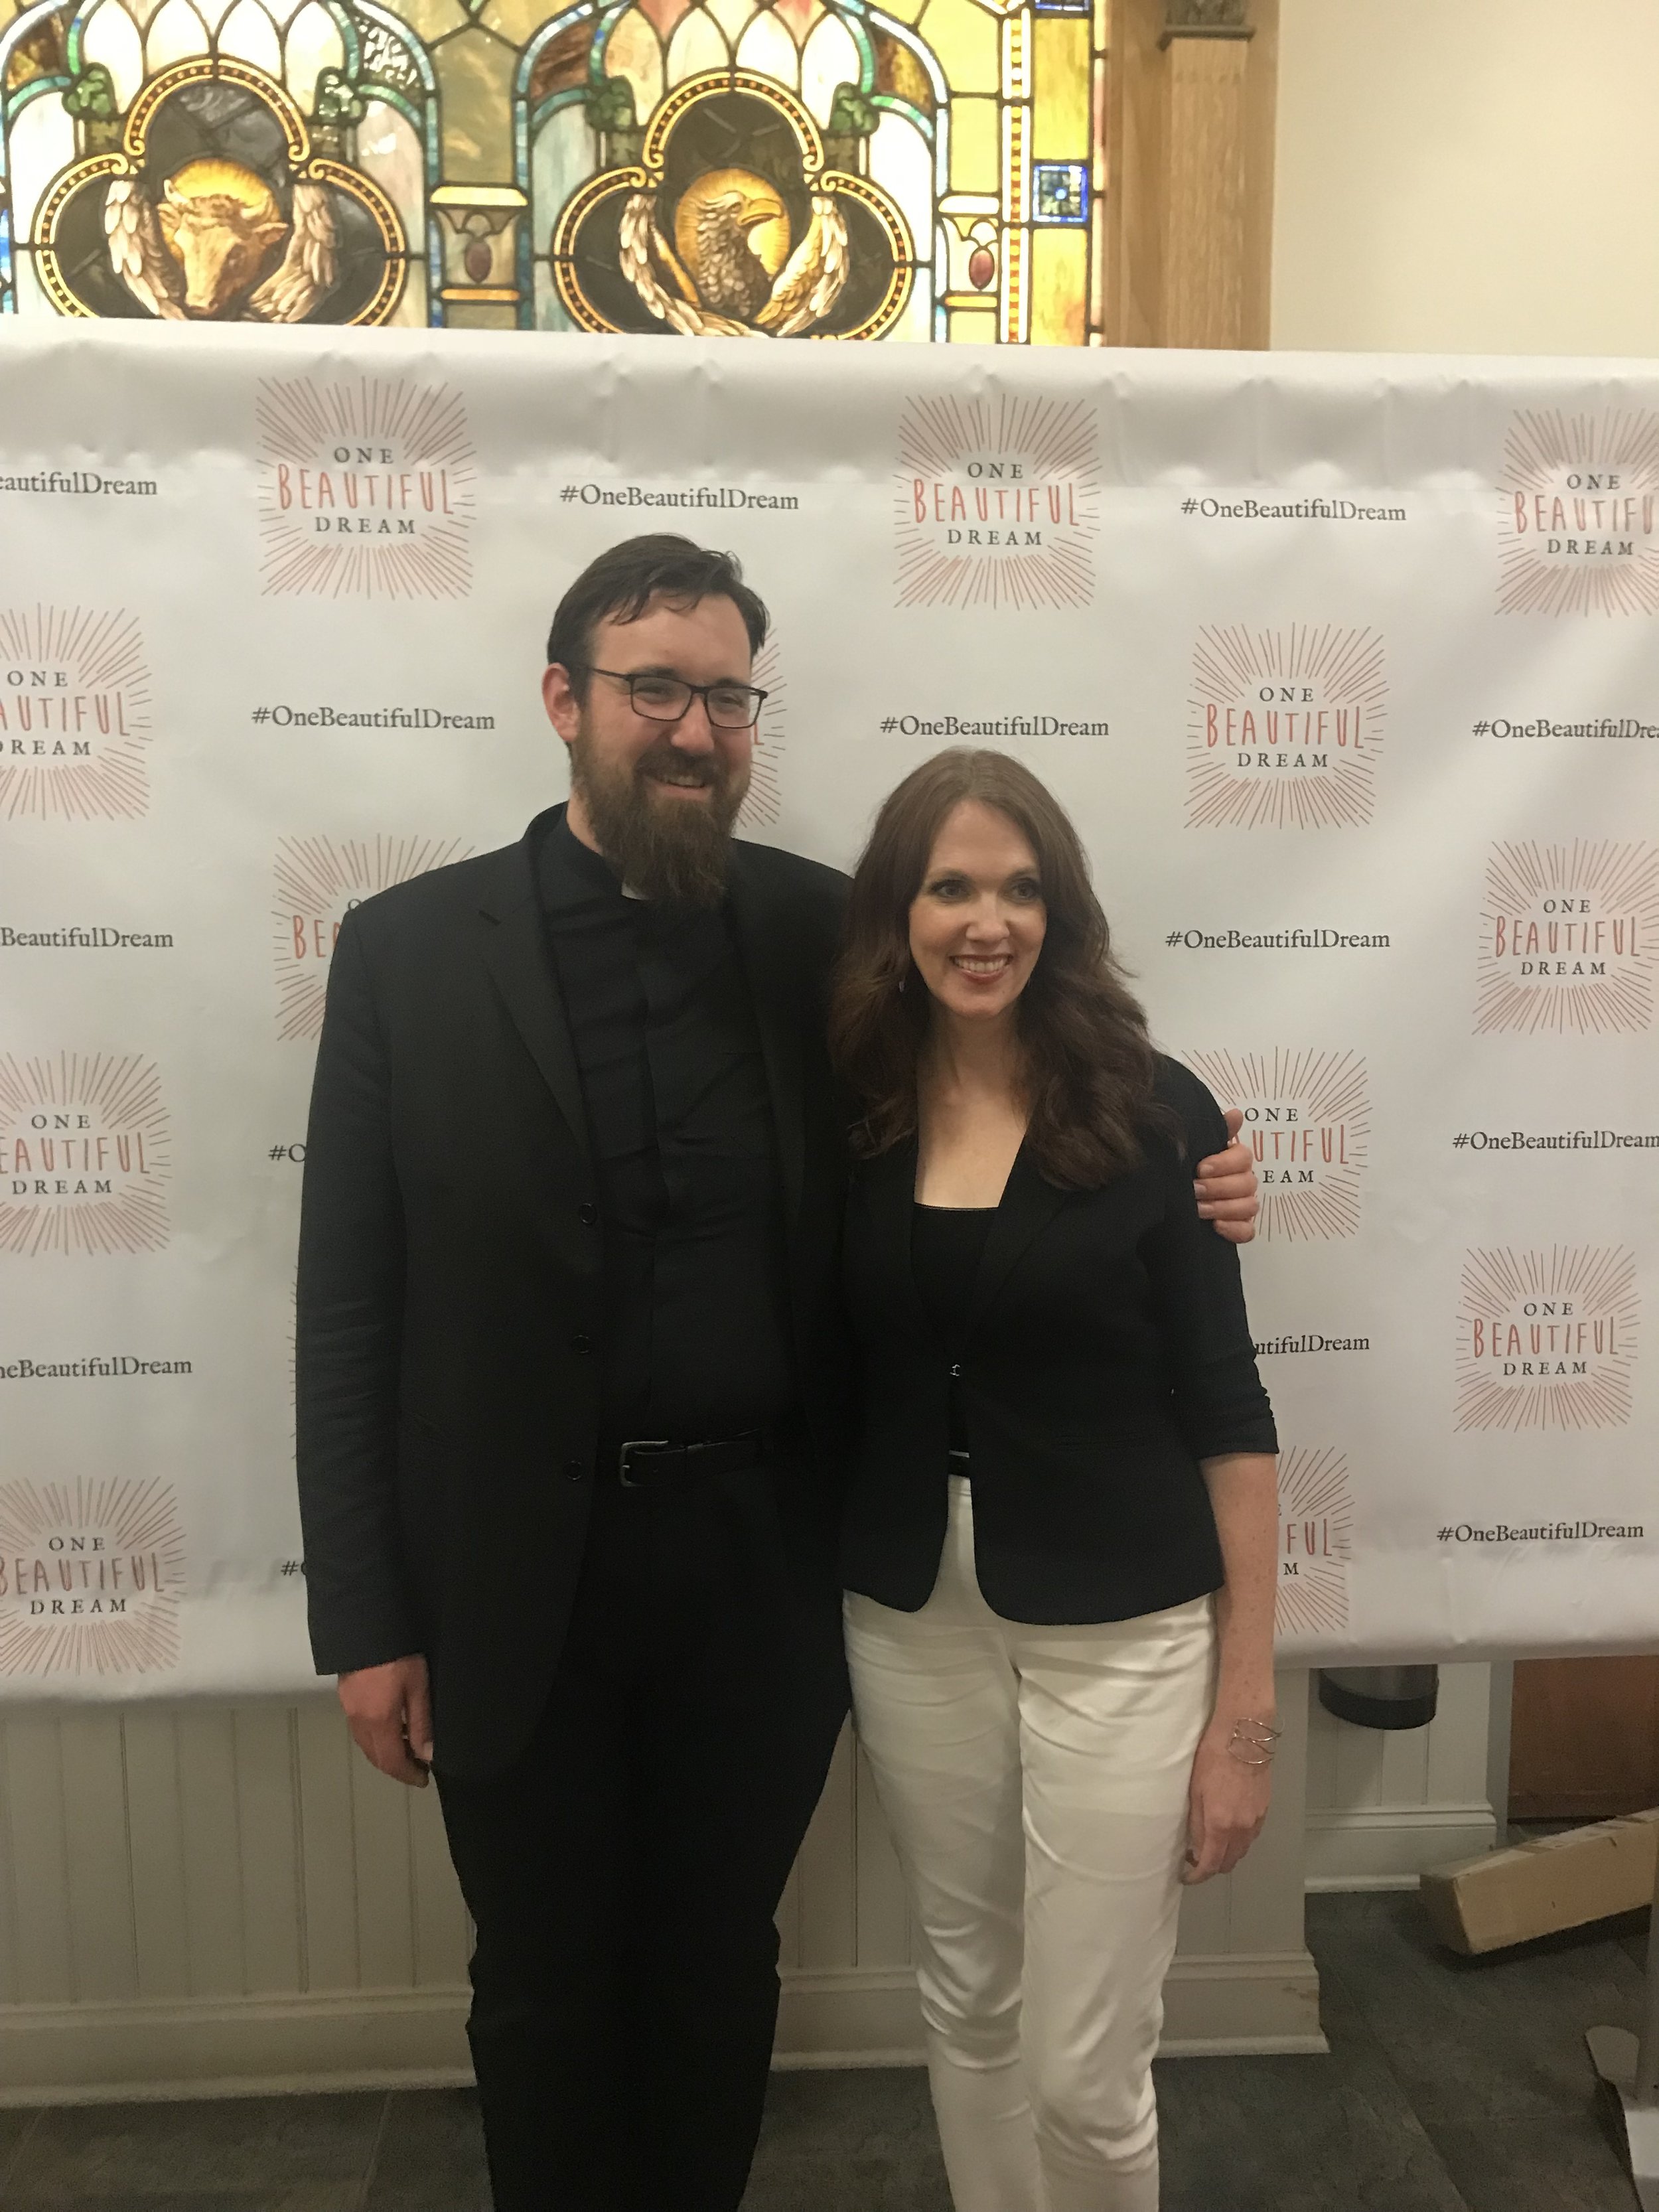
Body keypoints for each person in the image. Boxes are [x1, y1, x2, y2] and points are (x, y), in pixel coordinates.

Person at [294, 536, 1261, 2212]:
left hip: (766, 1564)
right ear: (562, 700)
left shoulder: (826, 931)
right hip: (516, 1574)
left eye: (725, 695)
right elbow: (347, 1309)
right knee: (535, 1975)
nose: (691, 728)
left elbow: (1023, 1051)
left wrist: (1204, 1150)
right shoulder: (403, 953)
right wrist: (365, 1614)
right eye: (651, 686)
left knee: (715, 1962)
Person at [830, 749, 1279, 2212]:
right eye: (949, 884)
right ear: (897, 910)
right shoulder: (848, 1111)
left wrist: (1245, 1706)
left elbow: (1227, 1405)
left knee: (1086, 2059)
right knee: (963, 1991)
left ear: (1061, 911)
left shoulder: (1156, 1112)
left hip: (1122, 1623)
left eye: (1019, 888)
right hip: (909, 1608)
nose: (984, 920)